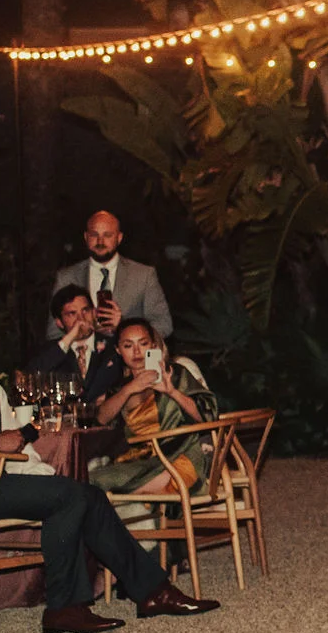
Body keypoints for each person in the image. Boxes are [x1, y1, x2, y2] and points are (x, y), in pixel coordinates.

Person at [0, 301, 218, 633]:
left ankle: (149, 592)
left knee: (84, 495)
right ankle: (74, 604)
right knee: (74, 496)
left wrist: (53, 480)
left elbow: (22, 453)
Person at [92, 319, 220, 494]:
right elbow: (101, 419)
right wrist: (130, 389)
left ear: (153, 345)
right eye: (128, 346)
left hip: (180, 457)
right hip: (141, 461)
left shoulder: (174, 374)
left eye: (143, 344)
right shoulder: (120, 388)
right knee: (90, 479)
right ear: (118, 350)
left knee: (98, 488)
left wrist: (172, 392)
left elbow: (208, 416)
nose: (137, 351)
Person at [47, 211, 173, 340]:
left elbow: (164, 325)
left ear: (119, 238)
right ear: (86, 237)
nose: (100, 241)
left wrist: (123, 327)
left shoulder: (143, 275)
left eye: (107, 235)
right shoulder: (66, 277)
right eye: (94, 235)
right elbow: (53, 333)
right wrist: (82, 333)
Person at [27, 285, 127, 405]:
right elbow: (30, 380)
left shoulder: (113, 345)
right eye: (71, 314)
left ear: (94, 312)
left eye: (85, 310)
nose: (81, 319)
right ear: (59, 322)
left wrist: (121, 329)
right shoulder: (52, 351)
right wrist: (69, 339)